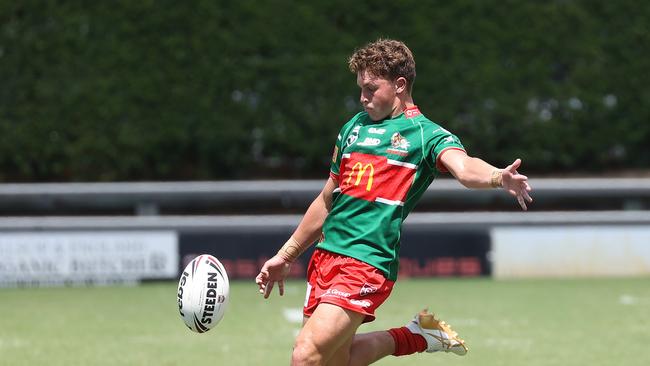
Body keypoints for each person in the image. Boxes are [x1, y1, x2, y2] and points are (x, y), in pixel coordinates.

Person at [255, 38, 533, 366]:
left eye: (371, 88)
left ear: (400, 85)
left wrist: (498, 177)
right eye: (360, 88)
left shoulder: (424, 133)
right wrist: (286, 255)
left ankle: (416, 335)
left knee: (305, 356)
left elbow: (465, 165)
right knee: (335, 361)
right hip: (325, 259)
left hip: (366, 262)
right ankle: (417, 335)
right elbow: (328, 199)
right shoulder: (353, 128)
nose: (363, 97)